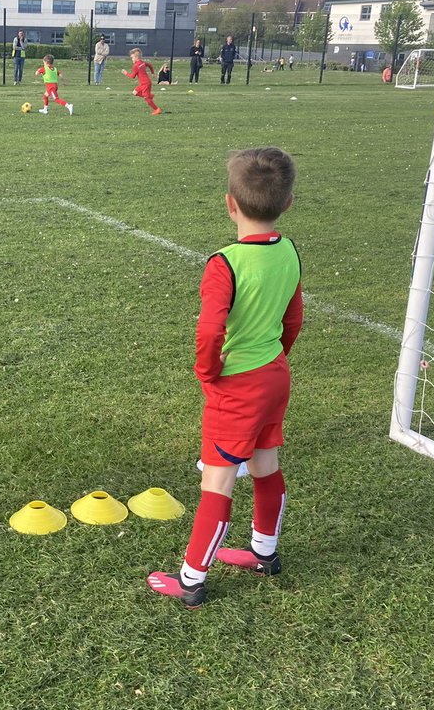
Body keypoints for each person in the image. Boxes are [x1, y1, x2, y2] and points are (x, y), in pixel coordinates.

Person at [147, 147, 303, 610]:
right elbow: (293, 318)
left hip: (236, 386)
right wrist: (274, 358)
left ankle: (191, 580)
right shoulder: (290, 250)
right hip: (275, 375)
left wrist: (208, 371)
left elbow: (211, 328)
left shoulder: (225, 263)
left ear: (229, 203)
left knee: (217, 483)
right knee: (265, 465)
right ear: (288, 204)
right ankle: (264, 554)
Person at [122, 47, 159, 115]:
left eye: (132, 57)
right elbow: (150, 65)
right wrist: (153, 73)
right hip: (144, 83)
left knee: (147, 99)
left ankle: (157, 109)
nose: (132, 59)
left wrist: (126, 73)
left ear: (136, 57)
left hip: (145, 84)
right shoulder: (142, 62)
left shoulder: (136, 65)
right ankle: (149, 96)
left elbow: (132, 76)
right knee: (135, 92)